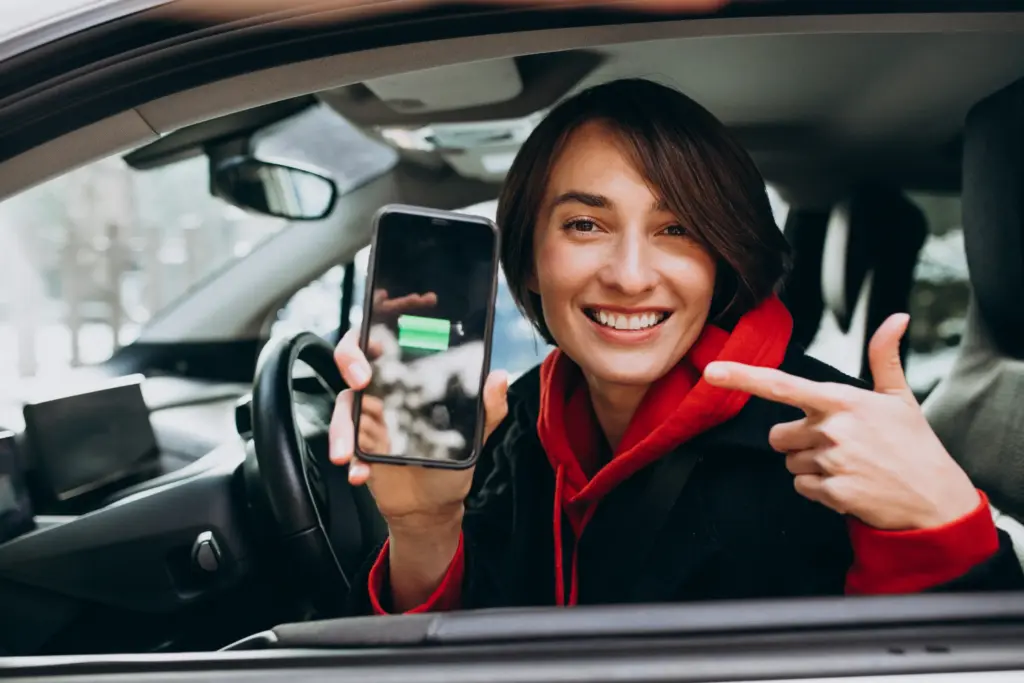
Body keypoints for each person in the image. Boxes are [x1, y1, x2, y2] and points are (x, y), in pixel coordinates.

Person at [330, 78, 1024, 614]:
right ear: (530, 257)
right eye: (584, 225)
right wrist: (423, 524)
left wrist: (940, 523)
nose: (631, 275)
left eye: (676, 230)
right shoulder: (498, 427)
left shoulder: (833, 441)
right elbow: (453, 660)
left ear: (722, 258)